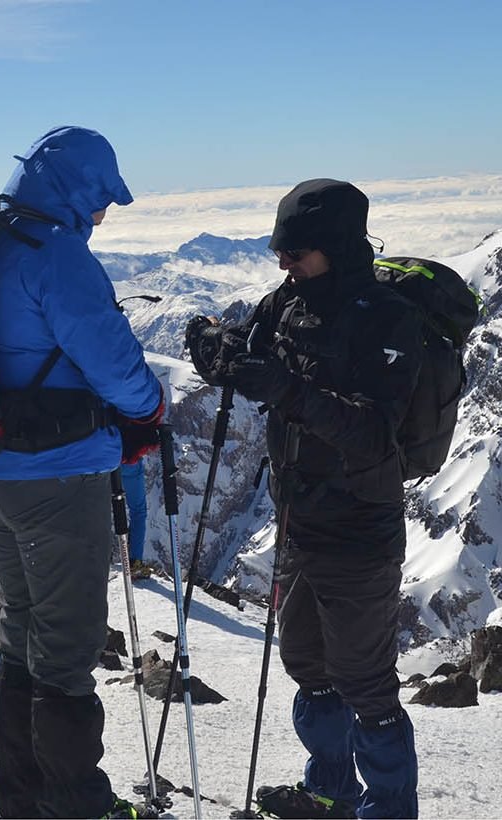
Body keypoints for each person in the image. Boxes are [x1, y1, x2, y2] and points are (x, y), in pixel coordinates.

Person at [187, 179, 420, 818]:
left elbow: (375, 432)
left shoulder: (386, 318)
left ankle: (391, 809)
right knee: (308, 666)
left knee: (365, 683)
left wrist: (283, 388)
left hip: (359, 525)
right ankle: (331, 793)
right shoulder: (285, 303)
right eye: (280, 249)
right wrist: (215, 347)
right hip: (299, 517)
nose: (282, 261)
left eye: (297, 251)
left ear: (338, 247)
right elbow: (253, 356)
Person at [0, 126, 163, 819]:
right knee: (67, 648)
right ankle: (78, 807)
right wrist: (149, 409)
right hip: (56, 474)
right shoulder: (56, 256)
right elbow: (114, 365)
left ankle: (20, 798)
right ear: (78, 191)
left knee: (22, 631)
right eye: (101, 200)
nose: (103, 217)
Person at [120, 457, 150, 578]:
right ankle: (135, 562)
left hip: (103, 458)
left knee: (99, 511)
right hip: (129, 461)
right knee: (138, 512)